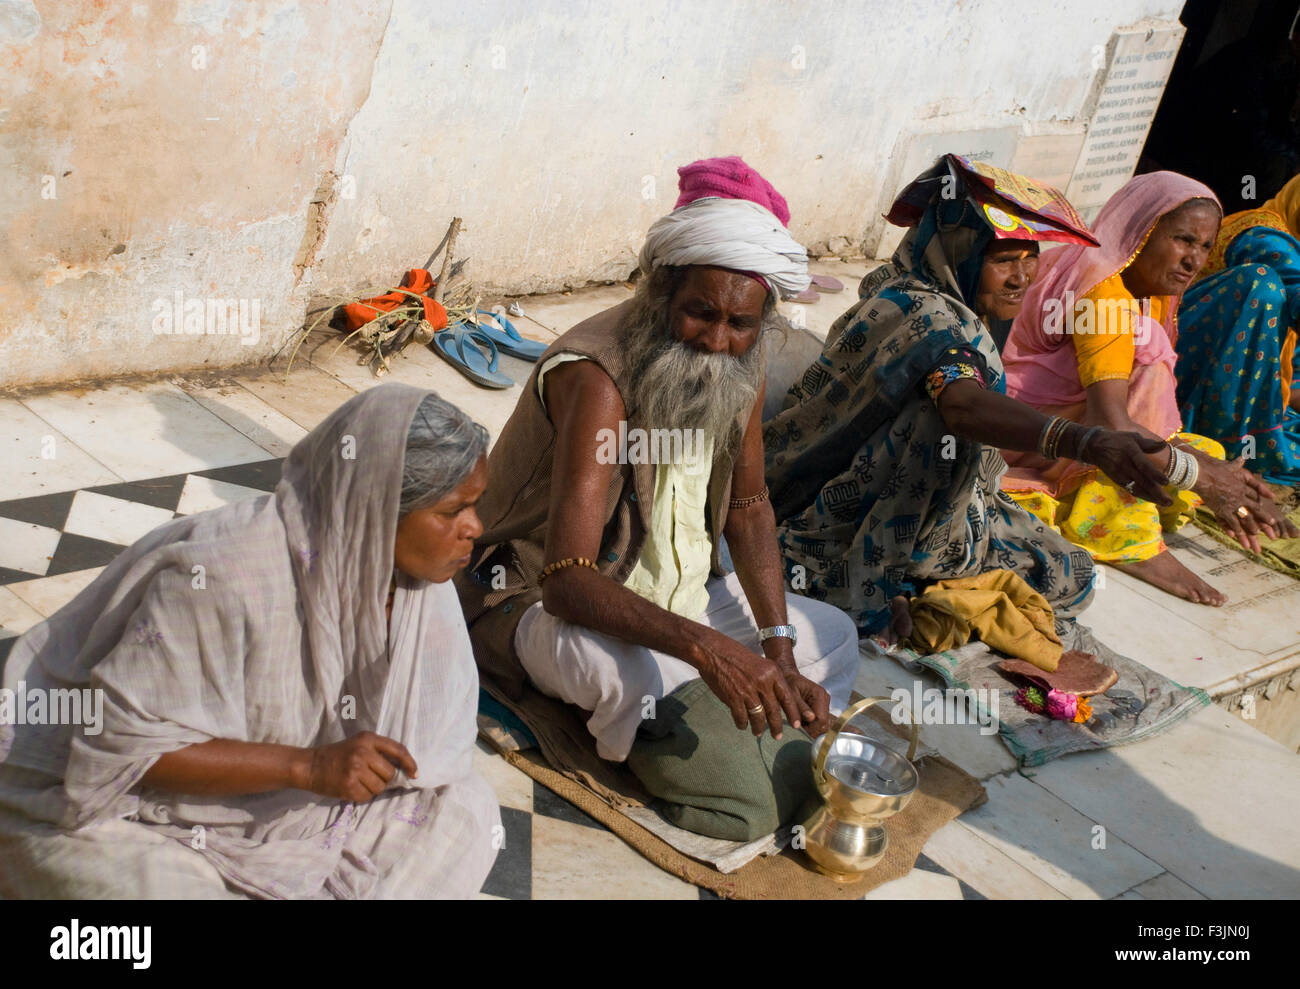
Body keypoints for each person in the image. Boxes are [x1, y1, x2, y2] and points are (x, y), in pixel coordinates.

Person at [0, 385, 501, 899]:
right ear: (374, 509)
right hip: (129, 811)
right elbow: (116, 751)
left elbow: (425, 744)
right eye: (452, 512)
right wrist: (310, 766)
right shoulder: (221, 574)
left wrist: (336, 773)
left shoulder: (419, 582)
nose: (474, 529)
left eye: (475, 506)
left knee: (462, 810)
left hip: (302, 806)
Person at [455, 156, 859, 784]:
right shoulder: (598, 376)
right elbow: (566, 580)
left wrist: (777, 651)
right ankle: (673, 713)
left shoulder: (741, 364)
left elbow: (748, 510)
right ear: (661, 291)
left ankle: (698, 704)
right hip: (538, 599)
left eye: (740, 323)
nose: (716, 339)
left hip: (682, 598)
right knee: (628, 675)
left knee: (831, 633)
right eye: (701, 312)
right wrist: (712, 651)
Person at [765, 154, 1178, 637]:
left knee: (1076, 572)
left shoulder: (908, 286)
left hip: (885, 487)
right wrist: (1084, 442)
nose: (1022, 278)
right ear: (959, 254)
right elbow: (961, 404)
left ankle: (914, 570)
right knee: (948, 431)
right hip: (844, 505)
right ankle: (887, 578)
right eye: (1003, 260)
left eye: (1030, 260)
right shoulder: (934, 319)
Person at [1000, 172, 1296, 606]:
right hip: (1026, 435)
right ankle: (1124, 536)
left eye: (1204, 247)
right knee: (1157, 404)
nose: (1194, 261)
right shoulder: (1105, 293)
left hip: (1048, 421)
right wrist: (1203, 480)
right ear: (1141, 231)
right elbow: (1111, 426)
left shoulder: (1120, 280)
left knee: (1205, 453)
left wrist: (1214, 473)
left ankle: (1212, 482)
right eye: (1182, 240)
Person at [1176, 172, 1300, 482]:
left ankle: (1248, 443)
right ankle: (1230, 448)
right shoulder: (1261, 234)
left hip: (1250, 400)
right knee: (1261, 285)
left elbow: (1290, 378)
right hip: (1176, 369)